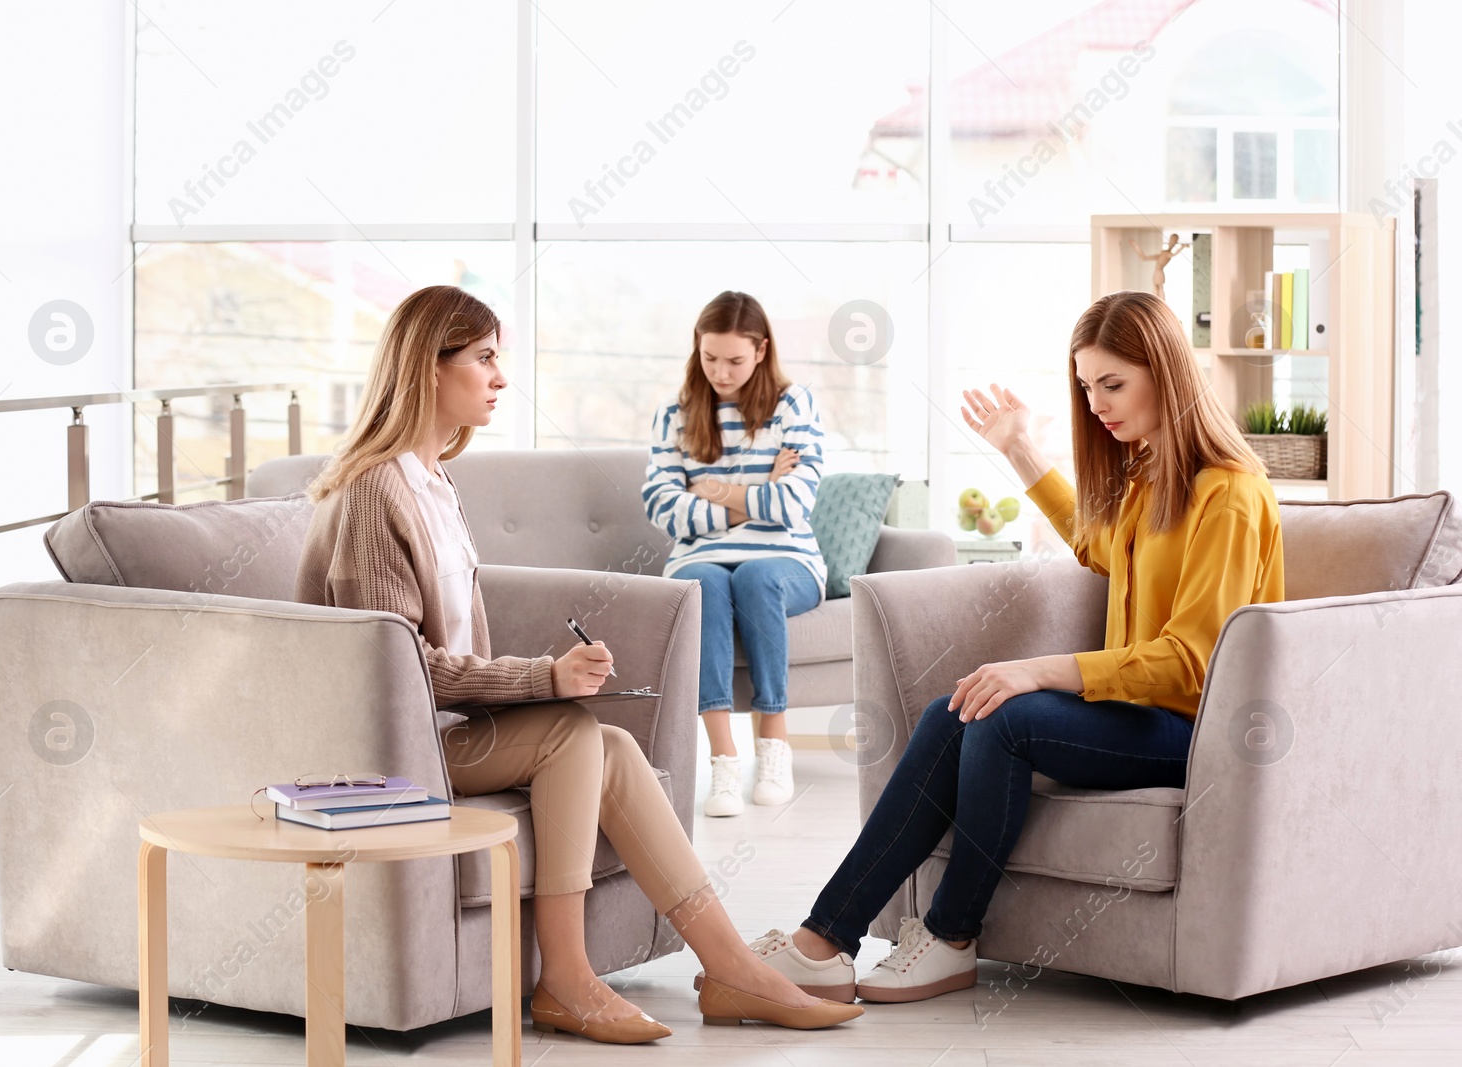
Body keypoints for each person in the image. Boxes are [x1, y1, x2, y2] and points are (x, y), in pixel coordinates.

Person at [295, 285, 862, 1041]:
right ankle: (564, 978)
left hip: (439, 730)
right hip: (387, 751)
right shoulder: (375, 491)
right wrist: (543, 678)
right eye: (486, 359)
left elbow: (449, 658)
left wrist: (533, 680)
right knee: (570, 731)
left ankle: (733, 969)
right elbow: (394, 672)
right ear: (429, 368)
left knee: (613, 745)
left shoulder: (433, 481)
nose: (501, 377)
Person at [738, 289, 1284, 1004]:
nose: (1097, 404)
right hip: (1141, 713)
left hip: (1198, 731)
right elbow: (1099, 545)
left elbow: (1193, 659)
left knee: (1006, 712)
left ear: (1166, 371)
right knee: (953, 709)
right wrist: (1020, 448)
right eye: (1088, 387)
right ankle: (826, 939)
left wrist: (1038, 670)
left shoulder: (1231, 494)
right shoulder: (1155, 478)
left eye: (1113, 384)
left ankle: (951, 935)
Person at [642, 290, 827, 818]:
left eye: (735, 361)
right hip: (699, 560)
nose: (721, 372)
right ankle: (723, 760)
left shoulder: (794, 405)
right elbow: (660, 505)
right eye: (710, 358)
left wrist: (710, 492)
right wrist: (754, 494)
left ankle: (773, 744)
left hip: (786, 562)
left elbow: (795, 502)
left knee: (755, 576)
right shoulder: (674, 414)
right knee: (705, 583)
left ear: (762, 350)